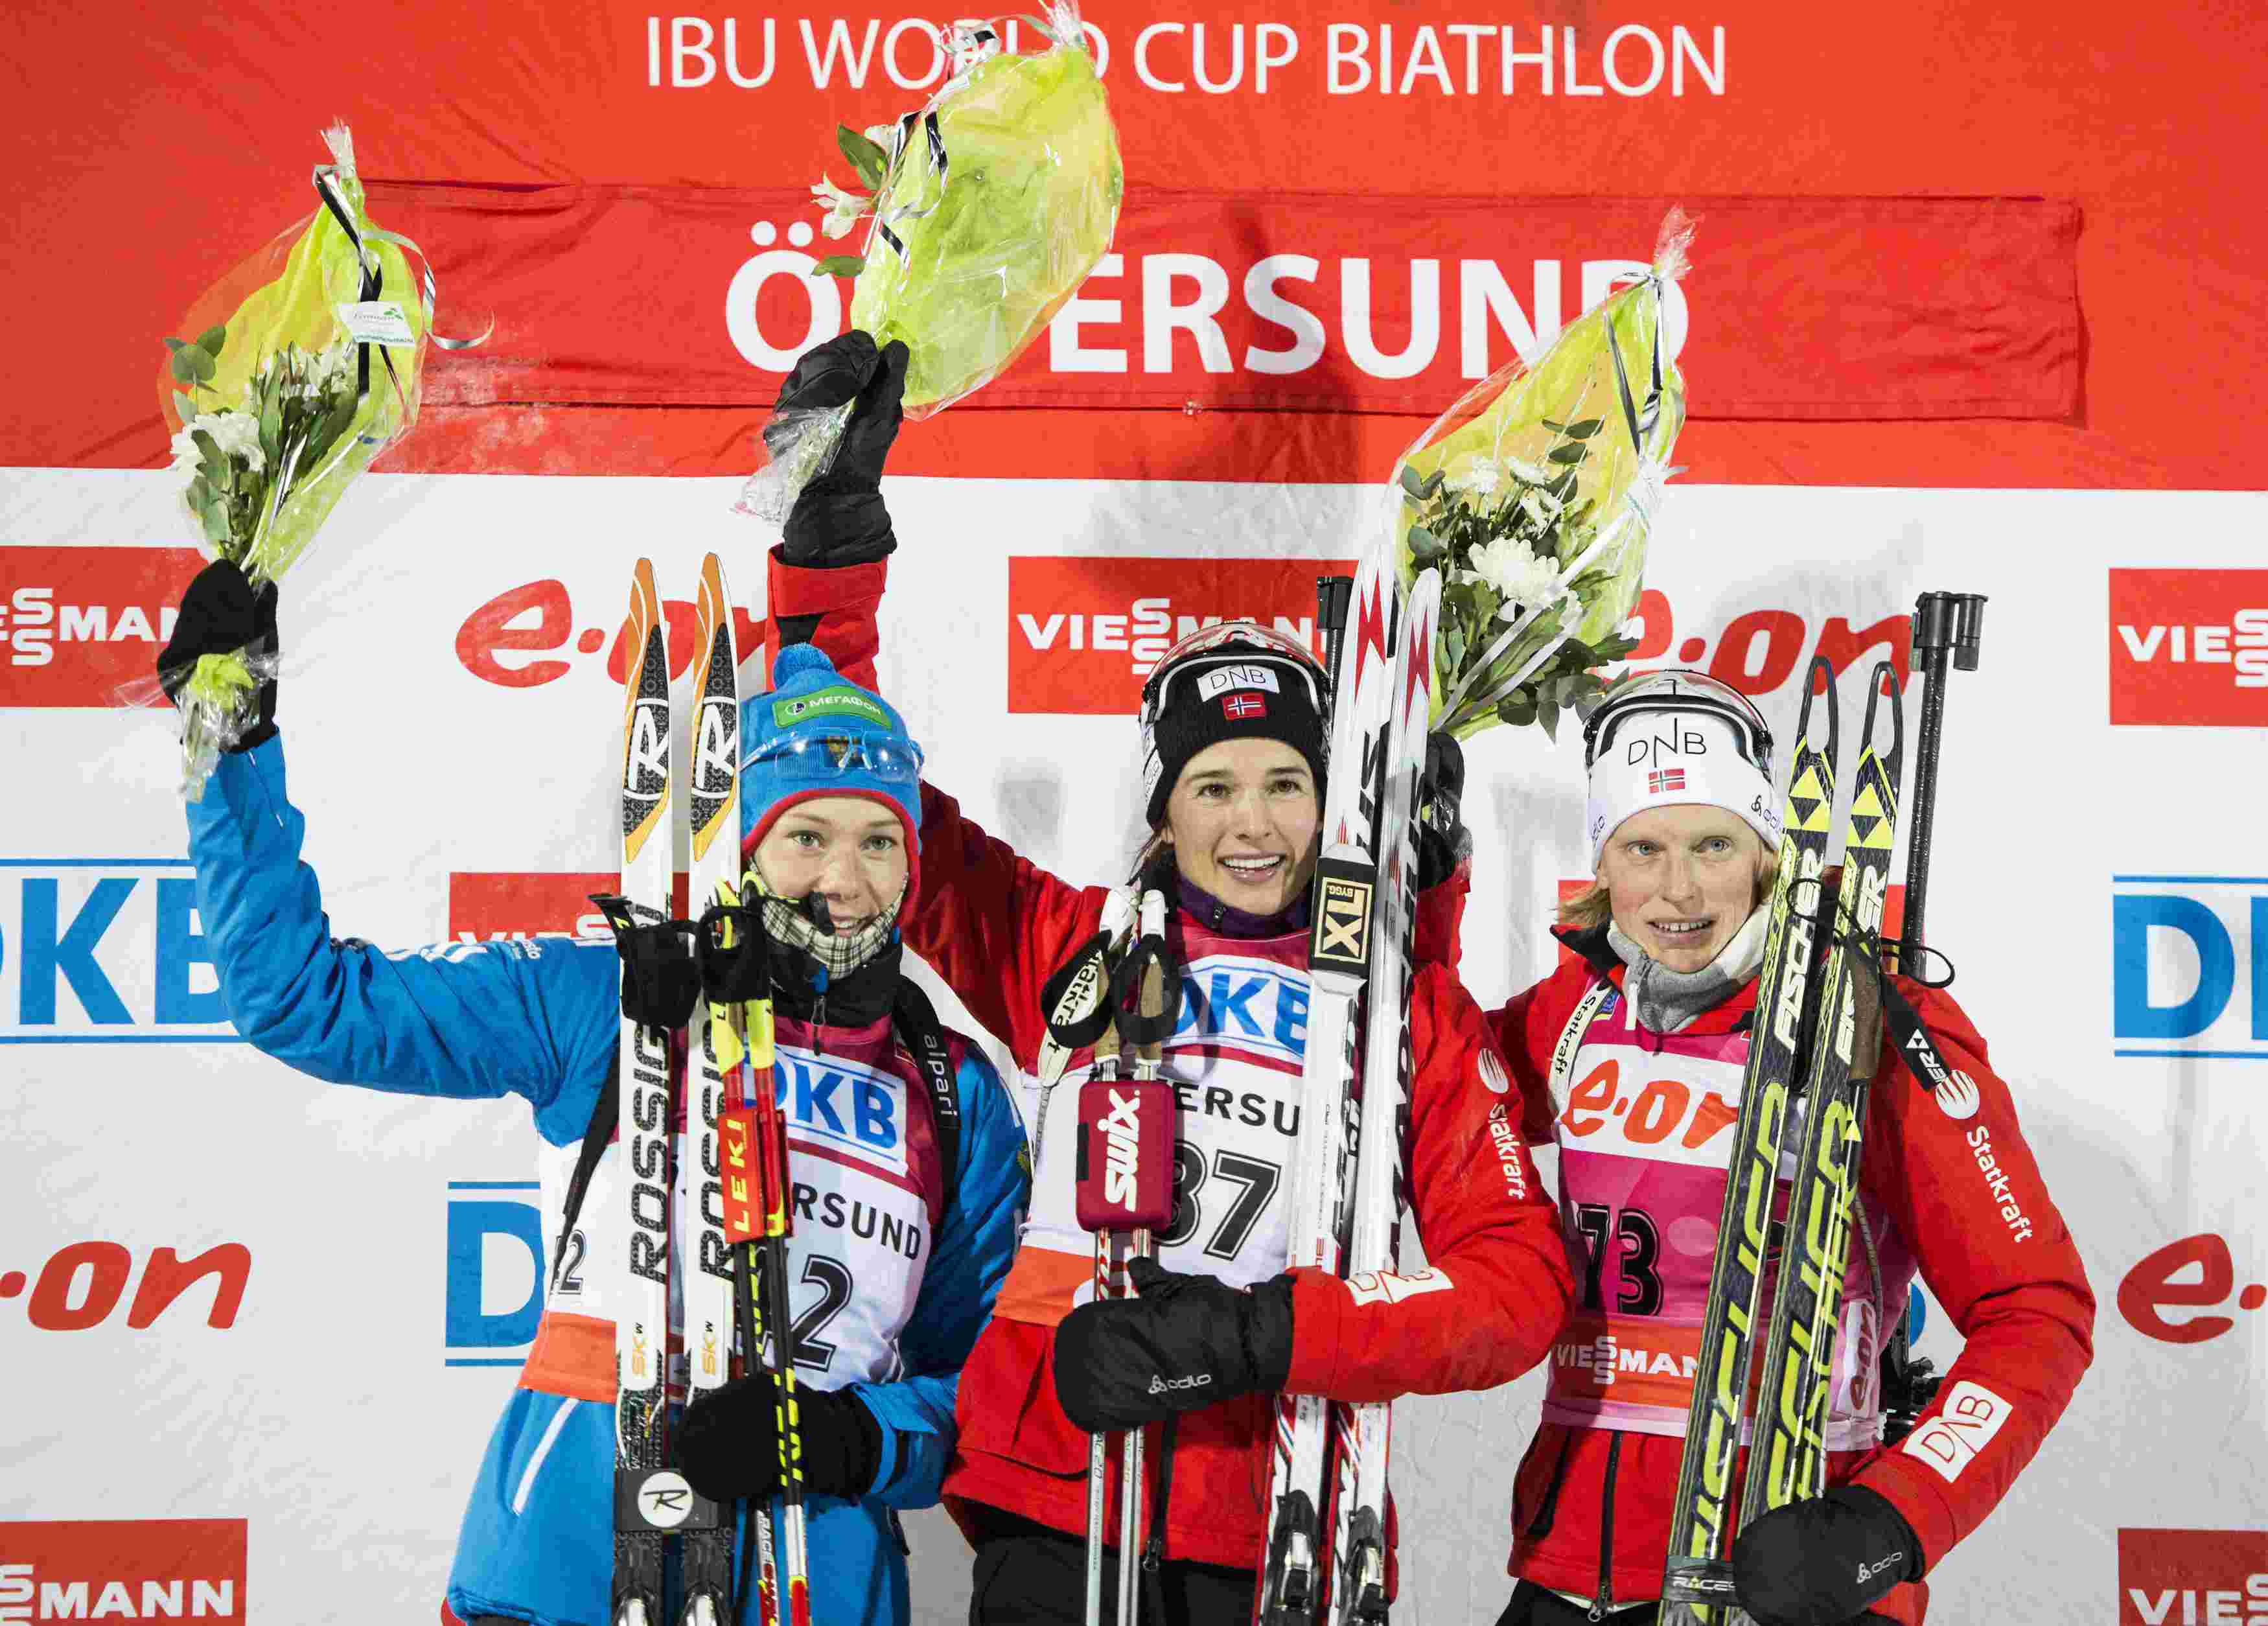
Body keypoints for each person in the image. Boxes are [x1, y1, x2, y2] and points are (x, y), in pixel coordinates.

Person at [754, 331, 1577, 1625]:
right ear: (1164, 807)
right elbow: (854, 786)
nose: (1252, 823)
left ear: (1330, 804)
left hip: (1273, 1516)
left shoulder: (1403, 1012)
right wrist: (827, 552)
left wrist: (1262, 1335)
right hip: (1055, 1499)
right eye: (1212, 785)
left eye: (1286, 783)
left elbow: (1514, 1289)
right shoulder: (1073, 945)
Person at [156, 565, 1025, 1626]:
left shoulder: (952, 1090)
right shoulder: (603, 996)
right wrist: (231, 740)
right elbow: (304, 1002)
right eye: (808, 834)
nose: (844, 878)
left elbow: (986, 1394)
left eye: (879, 841)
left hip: (816, 1578)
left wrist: (850, 1437)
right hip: (566, 1564)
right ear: (744, 842)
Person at [1483, 671, 2096, 1626]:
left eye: (1715, 845)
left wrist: (1886, 1523)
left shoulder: (1869, 1022)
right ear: (1602, 859)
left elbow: (2037, 1309)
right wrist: (1422, 891)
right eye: (1643, 847)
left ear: (1769, 850)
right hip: (1574, 1570)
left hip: (1788, 1568)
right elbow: (1418, 1092)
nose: (1679, 889)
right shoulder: (1577, 1009)